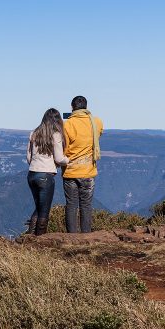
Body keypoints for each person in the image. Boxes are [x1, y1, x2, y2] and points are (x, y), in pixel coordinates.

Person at [62, 95, 104, 233]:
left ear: (72, 108)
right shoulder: (96, 122)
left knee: (71, 205)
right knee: (86, 205)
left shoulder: (67, 124)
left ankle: (72, 237)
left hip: (70, 171)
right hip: (88, 171)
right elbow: (99, 134)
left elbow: (65, 148)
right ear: (86, 107)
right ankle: (86, 235)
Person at [26, 108, 68, 235]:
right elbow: (59, 158)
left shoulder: (33, 133)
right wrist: (69, 160)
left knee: (38, 207)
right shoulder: (56, 135)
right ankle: (40, 239)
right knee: (44, 211)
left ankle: (30, 237)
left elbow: (29, 158)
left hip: (32, 174)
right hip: (46, 176)